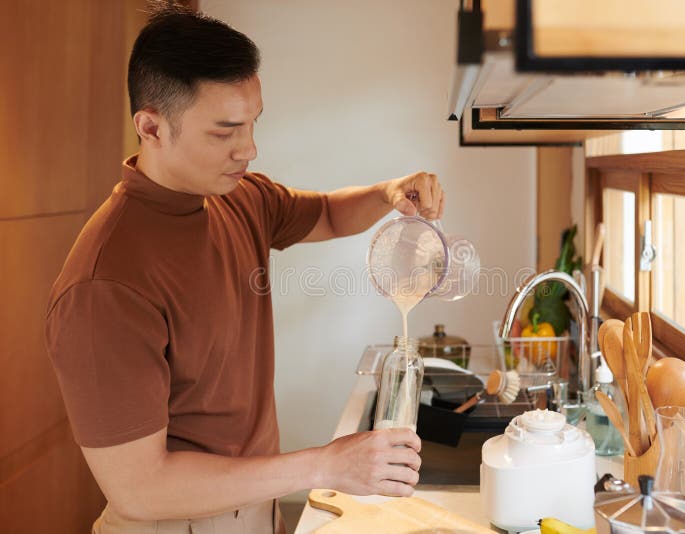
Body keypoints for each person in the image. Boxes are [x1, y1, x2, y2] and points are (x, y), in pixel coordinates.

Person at [45, 4, 444, 533]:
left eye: (254, 122)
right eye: (225, 131)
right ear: (151, 127)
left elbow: (324, 212)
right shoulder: (105, 283)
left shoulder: (236, 197)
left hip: (257, 512)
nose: (250, 148)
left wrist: (389, 193)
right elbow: (140, 489)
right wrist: (326, 464)